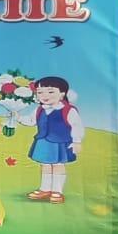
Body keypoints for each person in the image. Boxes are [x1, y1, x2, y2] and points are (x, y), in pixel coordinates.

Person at [24, 75, 82, 204]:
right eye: (40, 92)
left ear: (62, 94)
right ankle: (45, 189)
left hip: (60, 142)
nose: (45, 95)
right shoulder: (39, 109)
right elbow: (31, 121)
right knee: (45, 165)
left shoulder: (68, 110)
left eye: (50, 92)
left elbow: (76, 126)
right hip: (43, 141)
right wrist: (17, 117)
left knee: (58, 165)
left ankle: (57, 191)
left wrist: (77, 141)